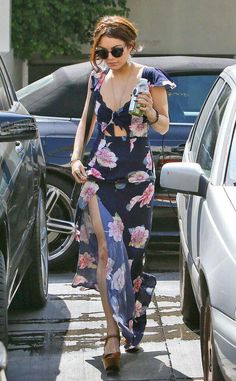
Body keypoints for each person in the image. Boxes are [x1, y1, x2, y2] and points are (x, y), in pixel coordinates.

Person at [70, 15, 175, 373]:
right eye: (103, 51)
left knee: (130, 257)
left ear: (131, 46)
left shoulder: (150, 77)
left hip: (137, 176)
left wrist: (148, 110)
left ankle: (132, 316)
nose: (110, 57)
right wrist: (75, 156)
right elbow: (86, 120)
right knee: (105, 250)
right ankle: (111, 333)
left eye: (117, 50)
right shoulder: (97, 77)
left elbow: (164, 125)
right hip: (100, 171)